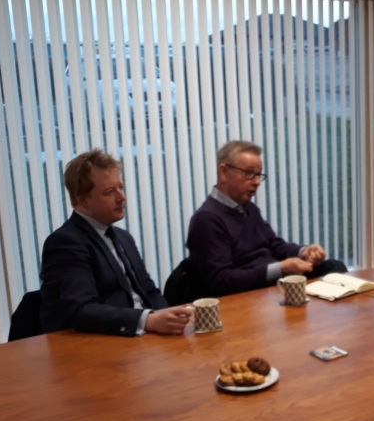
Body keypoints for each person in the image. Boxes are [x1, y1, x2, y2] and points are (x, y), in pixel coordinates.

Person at [40, 150, 191, 336]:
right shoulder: (65, 243)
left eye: (121, 187)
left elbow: (149, 292)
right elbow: (82, 311)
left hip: (144, 339)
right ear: (83, 200)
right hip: (104, 345)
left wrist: (175, 317)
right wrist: (149, 320)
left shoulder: (122, 237)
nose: (122, 197)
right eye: (110, 192)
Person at [186, 141, 347, 297]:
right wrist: (280, 269)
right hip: (249, 293)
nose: (257, 182)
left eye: (258, 175)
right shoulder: (207, 219)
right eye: (249, 173)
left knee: (334, 268)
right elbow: (222, 280)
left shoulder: (248, 208)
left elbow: (274, 245)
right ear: (224, 172)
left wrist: (304, 252)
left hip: (270, 282)